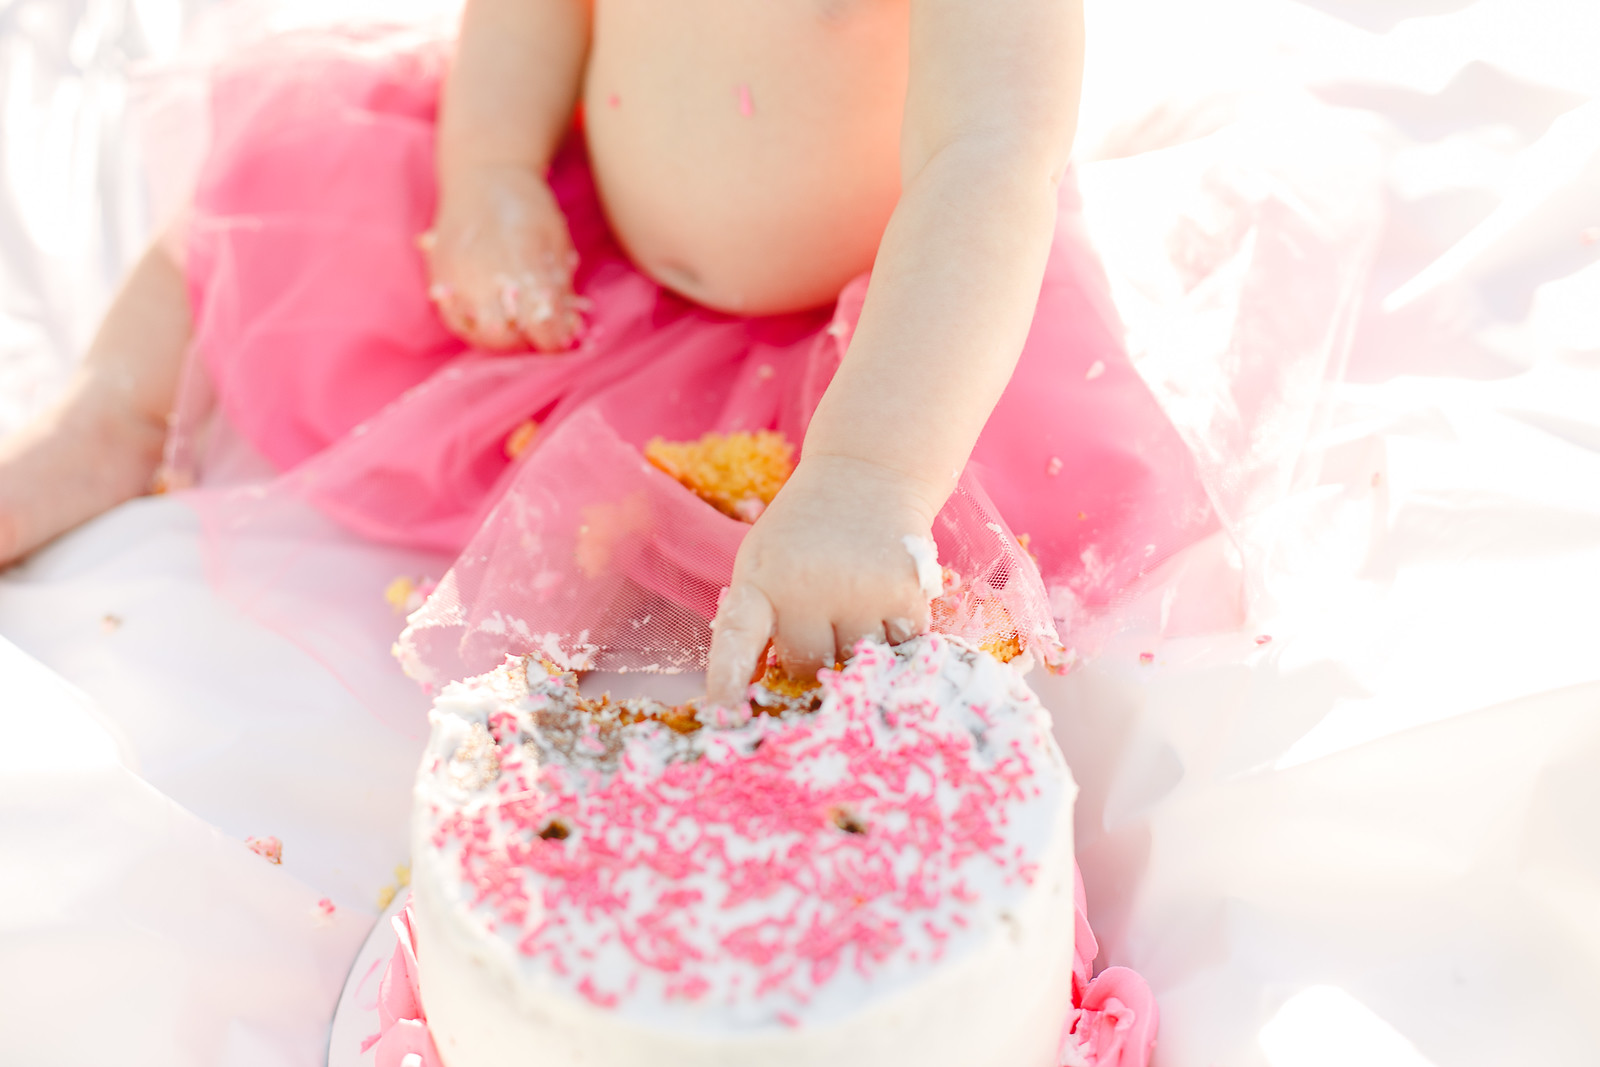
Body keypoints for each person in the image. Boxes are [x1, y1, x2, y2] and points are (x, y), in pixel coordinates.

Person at [0, 0, 1210, 706]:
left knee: (876, 552)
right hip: (585, 247)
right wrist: (489, 173)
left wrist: (867, 478)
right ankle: (113, 407)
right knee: (284, 176)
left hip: (880, 341)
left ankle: (851, 489)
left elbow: (986, 165)